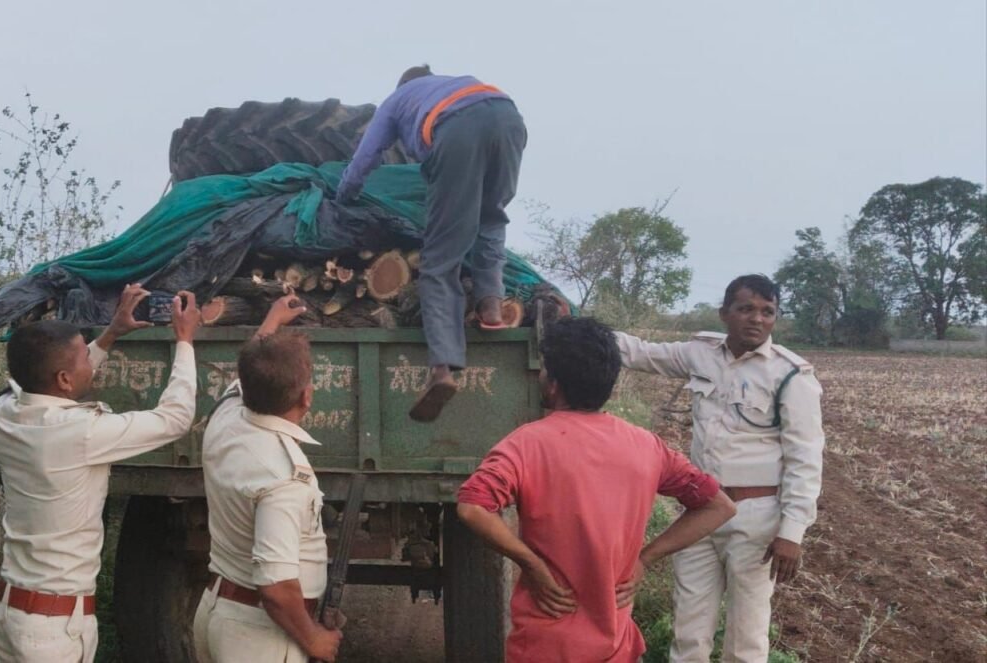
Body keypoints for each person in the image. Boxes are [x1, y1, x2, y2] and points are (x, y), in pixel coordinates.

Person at [456, 317, 737, 662]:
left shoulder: (525, 444)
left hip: (546, 641)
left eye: (545, 370)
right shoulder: (647, 446)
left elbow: (472, 507)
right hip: (614, 643)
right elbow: (719, 507)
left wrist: (531, 564)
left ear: (553, 384)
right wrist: (644, 560)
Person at [614, 274, 825, 663]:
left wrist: (792, 532)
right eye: (746, 309)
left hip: (757, 517)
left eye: (768, 312)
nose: (757, 319)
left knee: (746, 637)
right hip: (701, 512)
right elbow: (641, 353)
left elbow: (805, 459)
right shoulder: (702, 354)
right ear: (725, 313)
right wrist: (580, 331)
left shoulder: (791, 376)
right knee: (688, 631)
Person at [0, 284, 200, 662]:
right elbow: (175, 419)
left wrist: (111, 333)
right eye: (83, 358)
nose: (90, 361)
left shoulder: (4, 412)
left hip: (13, 612)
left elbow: (55, 382)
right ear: (65, 380)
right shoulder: (80, 433)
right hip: (53, 631)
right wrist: (184, 342)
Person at [336, 64, 527, 422]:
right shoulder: (453, 84)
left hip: (459, 132)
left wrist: (344, 194)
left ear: (401, 85)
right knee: (491, 217)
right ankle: (491, 306)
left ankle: (442, 370)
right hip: (509, 119)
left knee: (439, 262)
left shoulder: (396, 101)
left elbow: (366, 157)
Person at [193, 295, 343, 663]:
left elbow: (247, 374)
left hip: (218, 612)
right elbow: (275, 589)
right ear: (307, 398)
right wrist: (314, 640)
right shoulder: (283, 478)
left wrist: (272, 321)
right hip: (258, 635)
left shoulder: (225, 419)